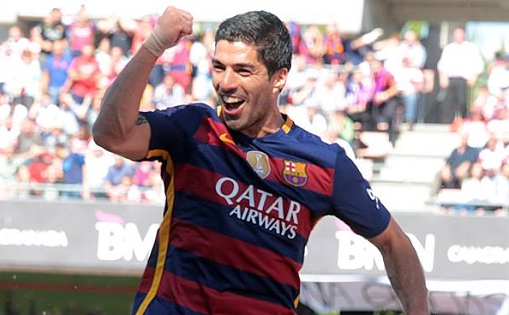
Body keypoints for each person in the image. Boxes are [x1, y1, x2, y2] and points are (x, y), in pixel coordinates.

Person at [92, 6, 429, 315]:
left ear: (278, 78)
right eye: (219, 67)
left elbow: (394, 242)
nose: (226, 83)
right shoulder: (193, 127)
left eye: (243, 70)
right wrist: (154, 44)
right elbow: (112, 134)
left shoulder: (325, 163)